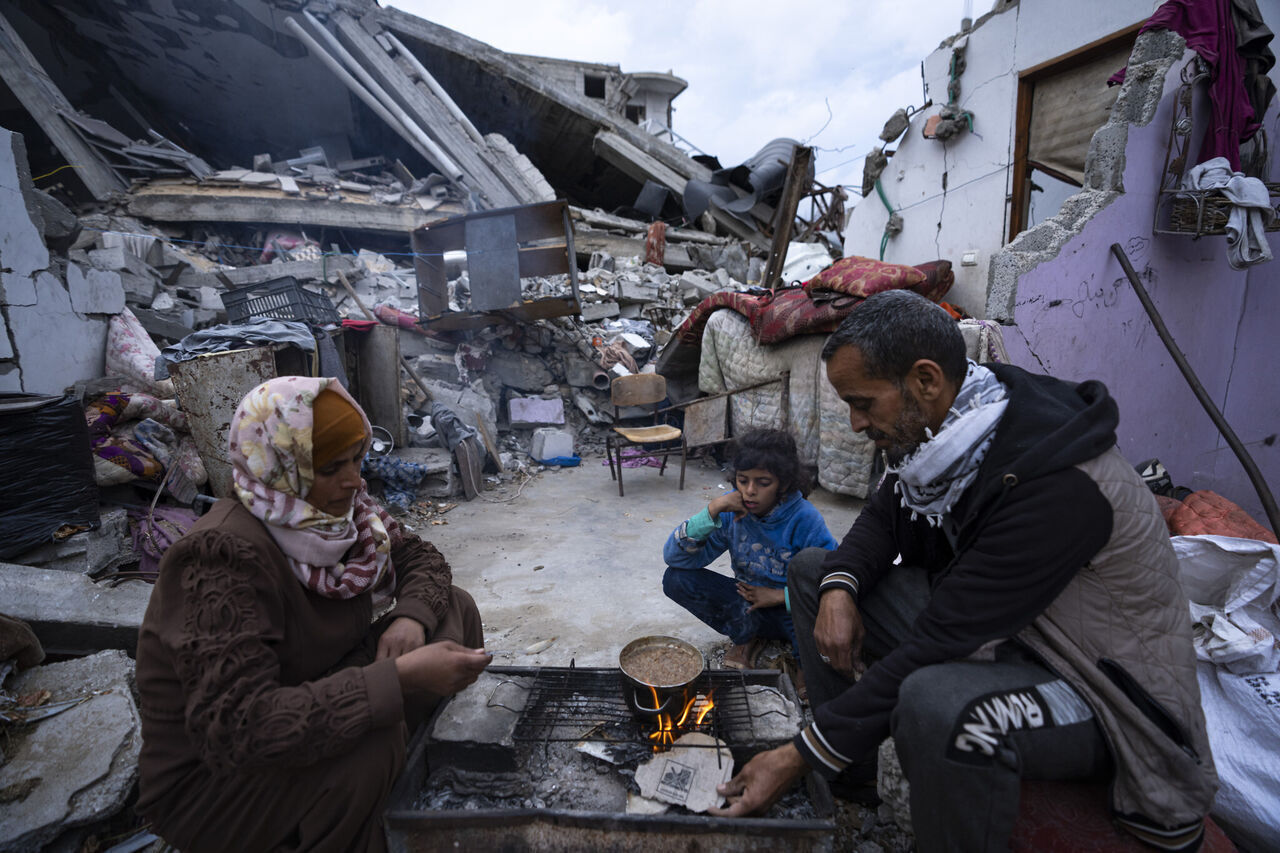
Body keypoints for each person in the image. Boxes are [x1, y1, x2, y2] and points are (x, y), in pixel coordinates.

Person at [710, 291, 1217, 852]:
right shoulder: (951, 430)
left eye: (862, 403)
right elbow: (885, 515)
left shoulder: (1056, 485)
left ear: (925, 380)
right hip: (1010, 629)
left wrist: (797, 753)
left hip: (1096, 687)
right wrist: (837, 587)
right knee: (813, 572)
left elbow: (941, 639)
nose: (855, 425)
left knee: (935, 702)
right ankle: (851, 776)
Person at [135, 376, 490, 853]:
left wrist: (411, 618)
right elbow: (240, 727)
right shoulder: (220, 557)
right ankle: (355, 825)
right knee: (371, 742)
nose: (354, 480)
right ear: (281, 465)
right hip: (219, 781)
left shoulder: (342, 515)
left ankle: (398, 787)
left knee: (453, 608)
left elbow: (422, 559)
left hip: (320, 686)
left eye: (357, 460)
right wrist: (397, 679)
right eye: (330, 467)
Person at [662, 428, 837, 670]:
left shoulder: (804, 518)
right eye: (743, 481)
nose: (750, 491)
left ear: (783, 484)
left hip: (796, 611)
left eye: (763, 483)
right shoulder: (733, 511)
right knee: (676, 579)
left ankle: (803, 663)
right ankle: (747, 636)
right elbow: (675, 558)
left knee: (819, 642)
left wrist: (779, 596)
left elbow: (833, 581)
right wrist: (711, 511)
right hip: (750, 606)